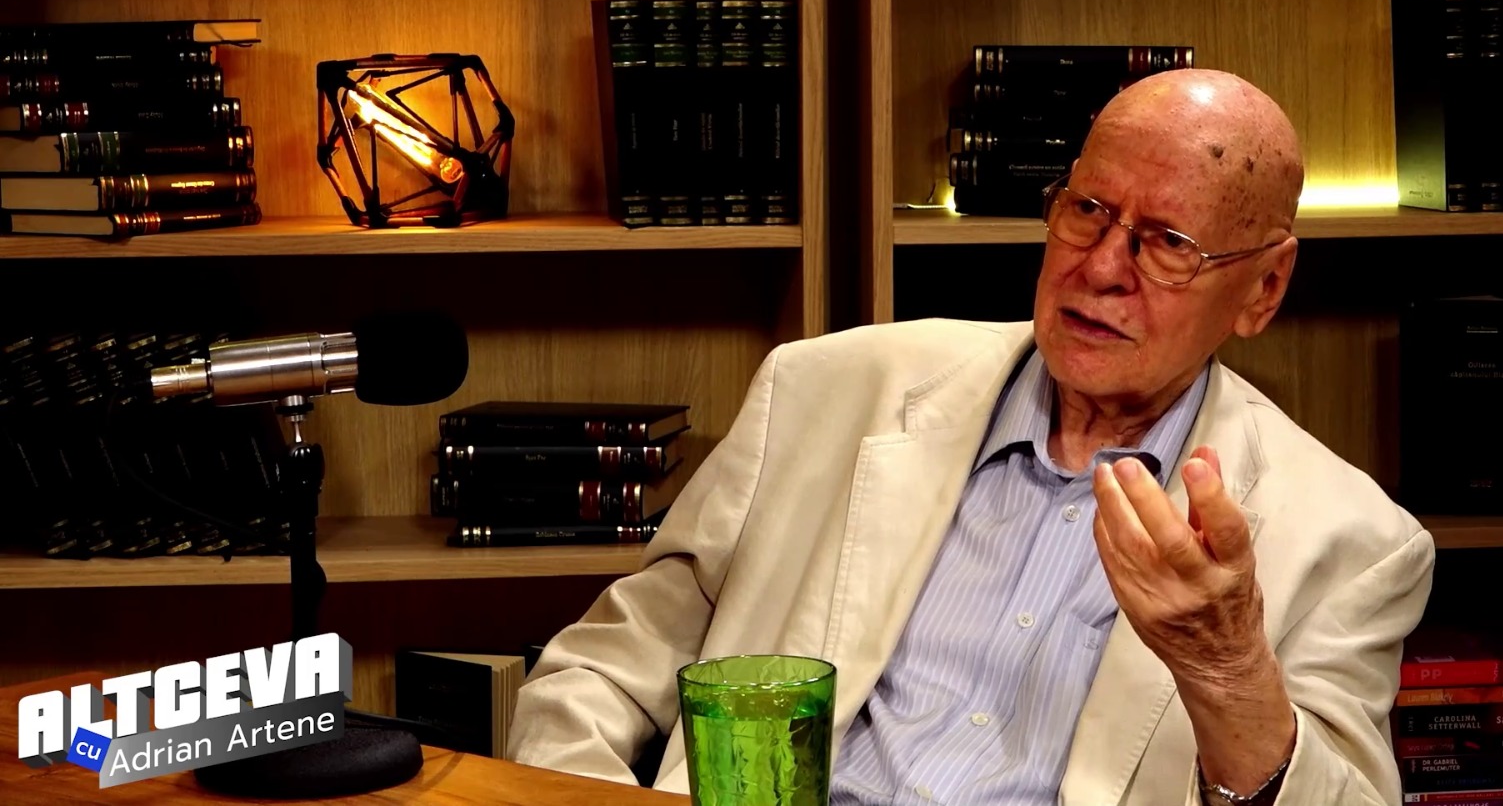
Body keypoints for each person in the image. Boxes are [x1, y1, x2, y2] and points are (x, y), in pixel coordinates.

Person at [505, 68, 1435, 806]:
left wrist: (1227, 669)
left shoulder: (1353, 542)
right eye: (1088, 211)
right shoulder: (823, 392)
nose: (1102, 269)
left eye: (1166, 244)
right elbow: (595, 676)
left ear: (1263, 290)